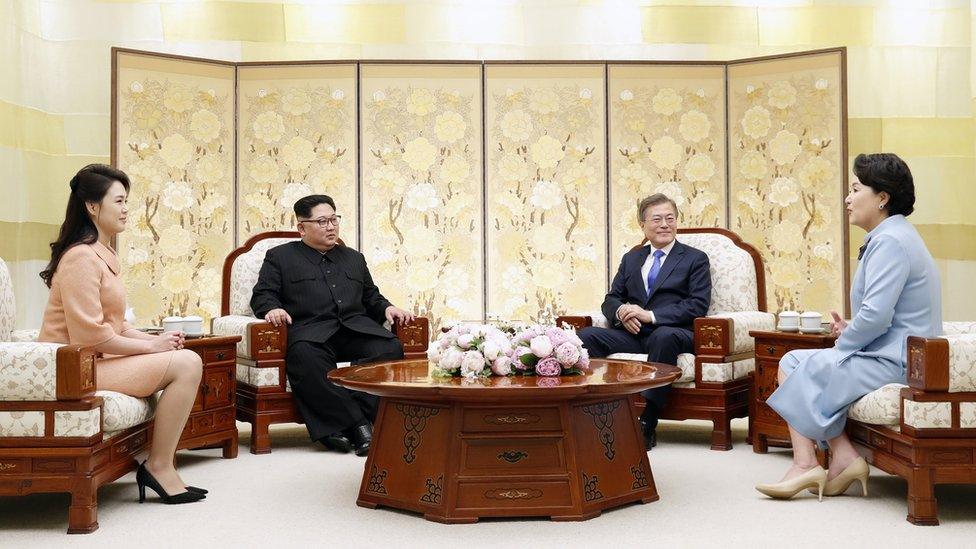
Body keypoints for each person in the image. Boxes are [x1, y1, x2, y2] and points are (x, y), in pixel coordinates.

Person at [756, 153, 942, 500]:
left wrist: (845, 344)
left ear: (882, 198)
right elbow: (886, 314)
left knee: (791, 363)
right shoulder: (896, 235)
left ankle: (806, 464)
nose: (847, 197)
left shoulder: (890, 241)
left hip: (897, 362)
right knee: (796, 361)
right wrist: (853, 328)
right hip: (896, 354)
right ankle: (841, 456)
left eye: (855, 189)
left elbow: (876, 318)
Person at [38, 164, 206, 504]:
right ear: (92, 206)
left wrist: (156, 341)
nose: (126, 208)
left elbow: (117, 326)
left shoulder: (103, 254)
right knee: (187, 364)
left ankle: (162, 465)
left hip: (96, 360)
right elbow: (90, 338)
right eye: (119, 201)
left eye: (127, 200)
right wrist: (153, 348)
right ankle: (159, 466)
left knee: (183, 357)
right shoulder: (80, 258)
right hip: (74, 369)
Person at [250, 194, 414, 456]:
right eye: (322, 221)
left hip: (353, 328)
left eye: (334, 219)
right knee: (304, 356)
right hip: (311, 332)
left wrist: (387, 308)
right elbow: (262, 294)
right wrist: (273, 308)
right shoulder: (280, 257)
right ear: (302, 227)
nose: (331, 226)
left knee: (389, 346)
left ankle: (340, 425)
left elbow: (371, 296)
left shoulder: (353, 258)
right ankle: (360, 426)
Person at [578, 193, 711, 449]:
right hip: (636, 334)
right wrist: (623, 312)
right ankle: (598, 411)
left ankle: (648, 420)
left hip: (675, 334)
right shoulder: (633, 258)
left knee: (663, 336)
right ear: (643, 224)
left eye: (670, 219)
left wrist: (649, 315)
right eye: (657, 219)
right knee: (586, 336)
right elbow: (611, 299)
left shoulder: (695, 258)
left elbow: (697, 305)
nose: (664, 225)